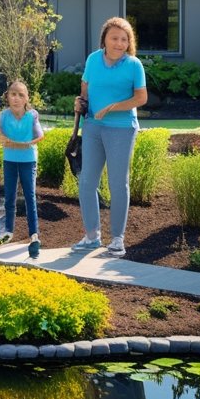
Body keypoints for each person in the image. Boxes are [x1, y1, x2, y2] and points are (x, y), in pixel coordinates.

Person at [73, 17, 148, 257]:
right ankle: (92, 236)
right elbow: (85, 87)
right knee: (86, 182)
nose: (119, 43)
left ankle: (117, 239)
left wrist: (113, 107)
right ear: (105, 38)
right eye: (114, 38)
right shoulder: (93, 59)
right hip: (93, 126)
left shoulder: (134, 65)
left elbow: (141, 98)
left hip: (122, 128)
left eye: (124, 39)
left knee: (118, 183)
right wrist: (81, 102)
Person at [0, 80, 45, 257]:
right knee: (9, 196)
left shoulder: (32, 115)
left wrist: (26, 143)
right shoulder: (3, 116)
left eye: (20, 95)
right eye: (13, 94)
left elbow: (40, 135)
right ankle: (8, 230)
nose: (16, 98)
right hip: (9, 159)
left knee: (30, 196)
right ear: (7, 96)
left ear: (26, 98)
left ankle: (34, 234)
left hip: (28, 160)